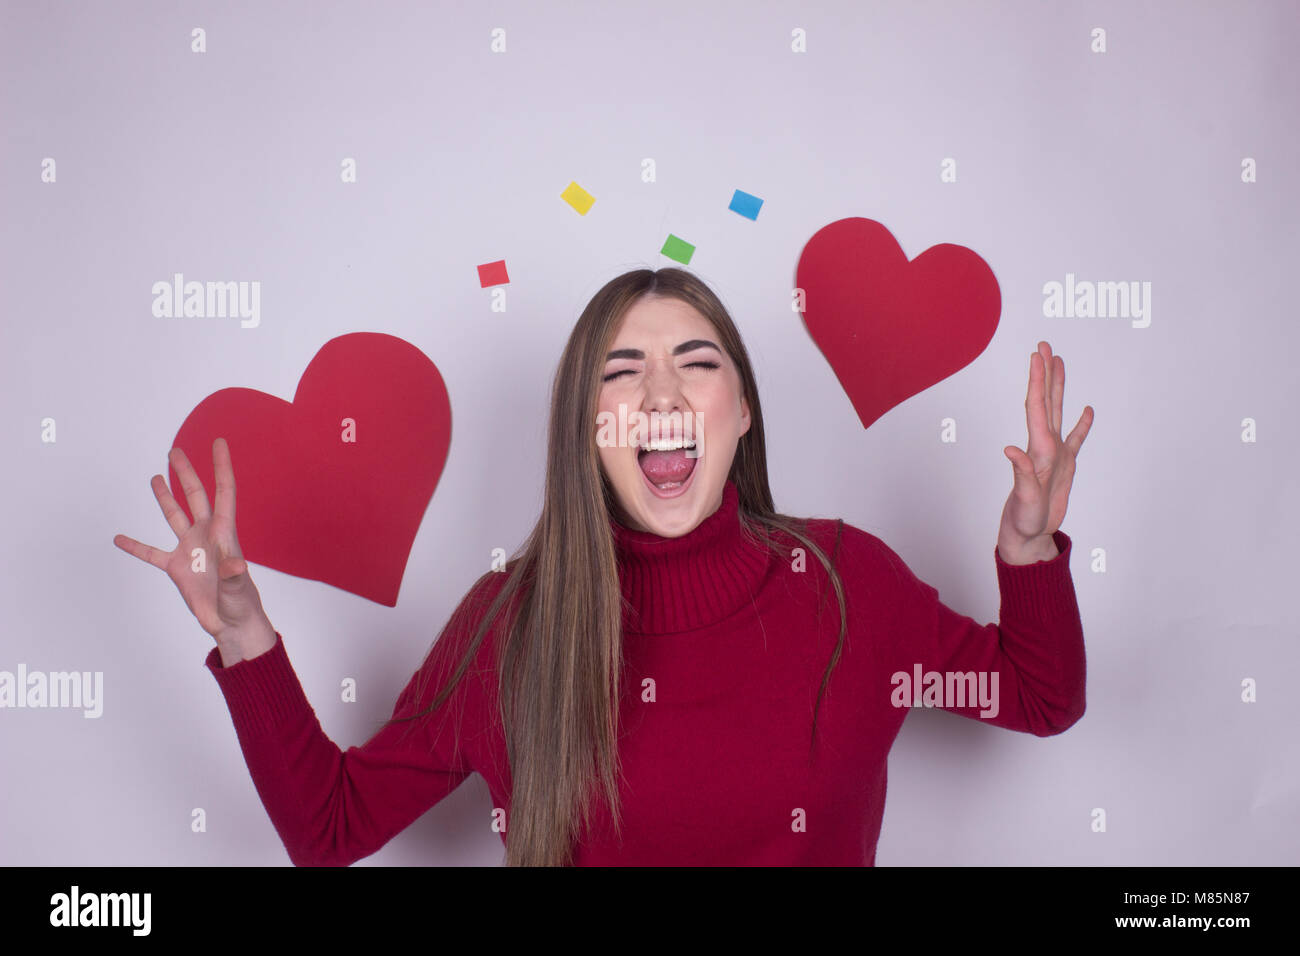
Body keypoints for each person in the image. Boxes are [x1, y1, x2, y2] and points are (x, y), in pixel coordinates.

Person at [114, 267, 1094, 866]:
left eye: (697, 362)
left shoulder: (846, 584)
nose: (660, 391)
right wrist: (245, 632)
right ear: (589, 426)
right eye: (621, 372)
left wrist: (1027, 546)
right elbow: (328, 826)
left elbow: (1041, 694)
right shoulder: (512, 624)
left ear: (742, 412)